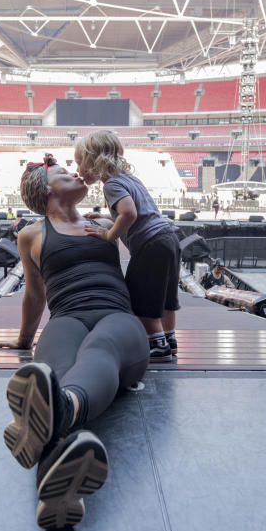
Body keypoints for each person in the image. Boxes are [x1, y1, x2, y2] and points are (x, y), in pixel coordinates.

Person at [0, 153, 148, 530]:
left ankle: (61, 417)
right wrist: (22, 341)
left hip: (118, 318)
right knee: (53, 376)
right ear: (46, 188)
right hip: (66, 319)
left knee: (101, 351)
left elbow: (149, 242)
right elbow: (35, 296)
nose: (76, 173)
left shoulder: (105, 221)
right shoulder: (30, 235)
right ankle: (59, 485)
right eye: (65, 172)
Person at [75, 129, 182, 362]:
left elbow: (130, 213)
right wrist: (108, 216)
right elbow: (138, 211)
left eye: (80, 163)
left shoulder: (110, 185)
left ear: (94, 161)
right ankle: (170, 340)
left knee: (141, 295)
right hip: (168, 238)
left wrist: (108, 234)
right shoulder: (129, 179)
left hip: (150, 245)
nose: (78, 170)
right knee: (165, 297)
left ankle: (157, 345)